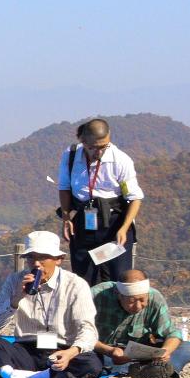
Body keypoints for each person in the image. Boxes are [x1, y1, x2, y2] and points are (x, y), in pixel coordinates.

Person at [0, 230, 114, 378]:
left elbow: (88, 329)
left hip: (61, 349)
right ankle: (13, 375)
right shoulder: (15, 280)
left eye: (43, 257)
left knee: (92, 363)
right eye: (31, 258)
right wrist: (16, 299)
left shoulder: (75, 284)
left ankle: (30, 375)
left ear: (58, 260)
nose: (36, 264)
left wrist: (70, 352)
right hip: (27, 348)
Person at [57, 118, 144, 286]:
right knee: (84, 280)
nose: (99, 152)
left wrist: (124, 228)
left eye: (103, 147)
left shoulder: (120, 160)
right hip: (83, 220)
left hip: (114, 223)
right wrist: (66, 218)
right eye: (93, 148)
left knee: (117, 278)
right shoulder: (71, 155)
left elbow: (134, 198)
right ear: (83, 141)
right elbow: (64, 187)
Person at [92, 270, 190, 378]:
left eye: (142, 300)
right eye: (131, 301)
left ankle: (160, 368)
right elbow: (77, 333)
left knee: (187, 348)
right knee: (87, 359)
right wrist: (109, 351)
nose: (138, 306)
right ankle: (145, 369)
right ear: (118, 295)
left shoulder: (155, 297)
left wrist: (166, 351)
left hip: (139, 352)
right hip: (104, 351)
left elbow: (172, 333)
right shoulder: (96, 295)